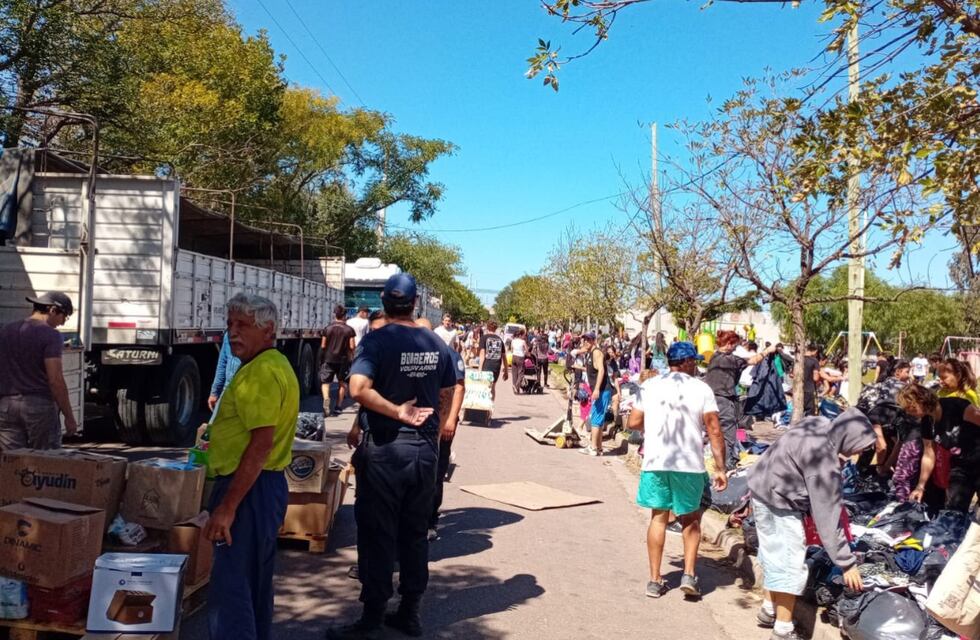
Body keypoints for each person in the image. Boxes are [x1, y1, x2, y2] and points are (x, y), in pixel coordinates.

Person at [327, 273, 457, 640]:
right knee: (415, 533)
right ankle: (410, 612)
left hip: (386, 450)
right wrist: (437, 425)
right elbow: (447, 389)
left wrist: (396, 411)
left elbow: (357, 388)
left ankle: (372, 616)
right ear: (414, 303)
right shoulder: (434, 342)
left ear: (384, 301)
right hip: (424, 452)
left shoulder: (377, 340)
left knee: (378, 532)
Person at [203, 293, 299, 640]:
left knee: (231, 591)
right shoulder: (271, 365)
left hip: (248, 491)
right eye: (230, 324)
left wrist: (228, 507)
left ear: (268, 331)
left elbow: (260, 445)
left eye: (243, 325)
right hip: (262, 488)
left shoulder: (261, 372)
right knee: (253, 584)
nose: (233, 333)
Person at [747, 408, 873, 640]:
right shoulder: (824, 465)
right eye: (861, 445)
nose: (861, 451)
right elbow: (828, 518)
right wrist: (846, 563)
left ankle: (768, 609)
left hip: (760, 488)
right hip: (780, 503)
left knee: (772, 553)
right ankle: (783, 630)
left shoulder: (817, 423)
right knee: (789, 565)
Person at [626, 341, 727, 600]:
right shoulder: (701, 389)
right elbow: (714, 429)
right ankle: (689, 574)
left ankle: (654, 580)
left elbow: (634, 421)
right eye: (694, 362)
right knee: (691, 519)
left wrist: (657, 425)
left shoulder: (649, 386)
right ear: (689, 362)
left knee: (658, 517)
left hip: (656, 462)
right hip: (688, 464)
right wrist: (721, 468)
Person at [0, 292, 78, 450]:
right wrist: (69, 417)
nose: (63, 323)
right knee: (46, 462)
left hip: (6, 406)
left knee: (12, 463)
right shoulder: (51, 335)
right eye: (65, 316)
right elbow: (55, 379)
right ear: (53, 310)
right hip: (39, 407)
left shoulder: (6, 331)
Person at [899, 384, 980, 513]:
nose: (909, 412)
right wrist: (920, 486)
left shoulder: (956, 406)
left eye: (911, 408)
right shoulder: (927, 422)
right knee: (953, 511)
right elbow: (929, 454)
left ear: (922, 400)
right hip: (960, 467)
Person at [702, 330, 769, 469]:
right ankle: (725, 464)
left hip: (709, 399)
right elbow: (753, 360)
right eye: (735, 345)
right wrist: (767, 351)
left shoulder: (714, 357)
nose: (735, 348)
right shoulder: (729, 360)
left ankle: (712, 461)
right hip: (724, 400)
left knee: (711, 431)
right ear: (729, 344)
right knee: (728, 434)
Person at [579, 332, 613, 457]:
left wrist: (597, 389)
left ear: (594, 340)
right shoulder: (589, 353)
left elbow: (601, 371)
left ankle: (593, 448)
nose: (586, 342)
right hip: (598, 390)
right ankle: (599, 447)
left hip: (602, 390)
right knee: (598, 419)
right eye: (585, 340)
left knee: (595, 419)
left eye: (588, 339)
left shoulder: (597, 353)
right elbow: (591, 370)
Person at [320, 304, 356, 417]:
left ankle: (326, 399)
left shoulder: (327, 328)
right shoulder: (349, 330)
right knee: (342, 383)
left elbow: (323, 345)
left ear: (335, 315)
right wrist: (352, 356)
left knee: (325, 382)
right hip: (343, 360)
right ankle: (338, 407)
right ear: (345, 316)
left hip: (329, 358)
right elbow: (352, 346)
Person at [208, 332, 242, 412]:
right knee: (216, 423)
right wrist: (214, 392)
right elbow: (222, 363)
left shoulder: (256, 338)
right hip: (228, 390)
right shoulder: (229, 335)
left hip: (246, 392)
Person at [478, 320, 508, 401]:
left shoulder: (484, 338)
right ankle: (490, 407)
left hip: (487, 365)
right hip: (496, 366)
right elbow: (504, 356)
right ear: (496, 328)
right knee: (493, 387)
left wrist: (480, 369)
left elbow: (482, 353)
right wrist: (506, 371)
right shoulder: (499, 340)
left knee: (484, 386)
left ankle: (484, 406)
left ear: (487, 327)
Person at [802, 344, 821, 416]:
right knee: (810, 411)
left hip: (799, 389)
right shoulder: (814, 361)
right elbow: (815, 378)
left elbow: (792, 374)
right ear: (815, 351)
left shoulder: (799, 359)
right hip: (810, 389)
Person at [510, 329, 528, 394]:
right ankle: (516, 386)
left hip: (514, 357)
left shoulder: (513, 341)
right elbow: (526, 350)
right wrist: (527, 353)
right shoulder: (523, 342)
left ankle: (516, 390)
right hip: (520, 357)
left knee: (514, 373)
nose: (525, 336)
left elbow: (511, 350)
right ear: (521, 335)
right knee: (521, 373)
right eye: (524, 335)